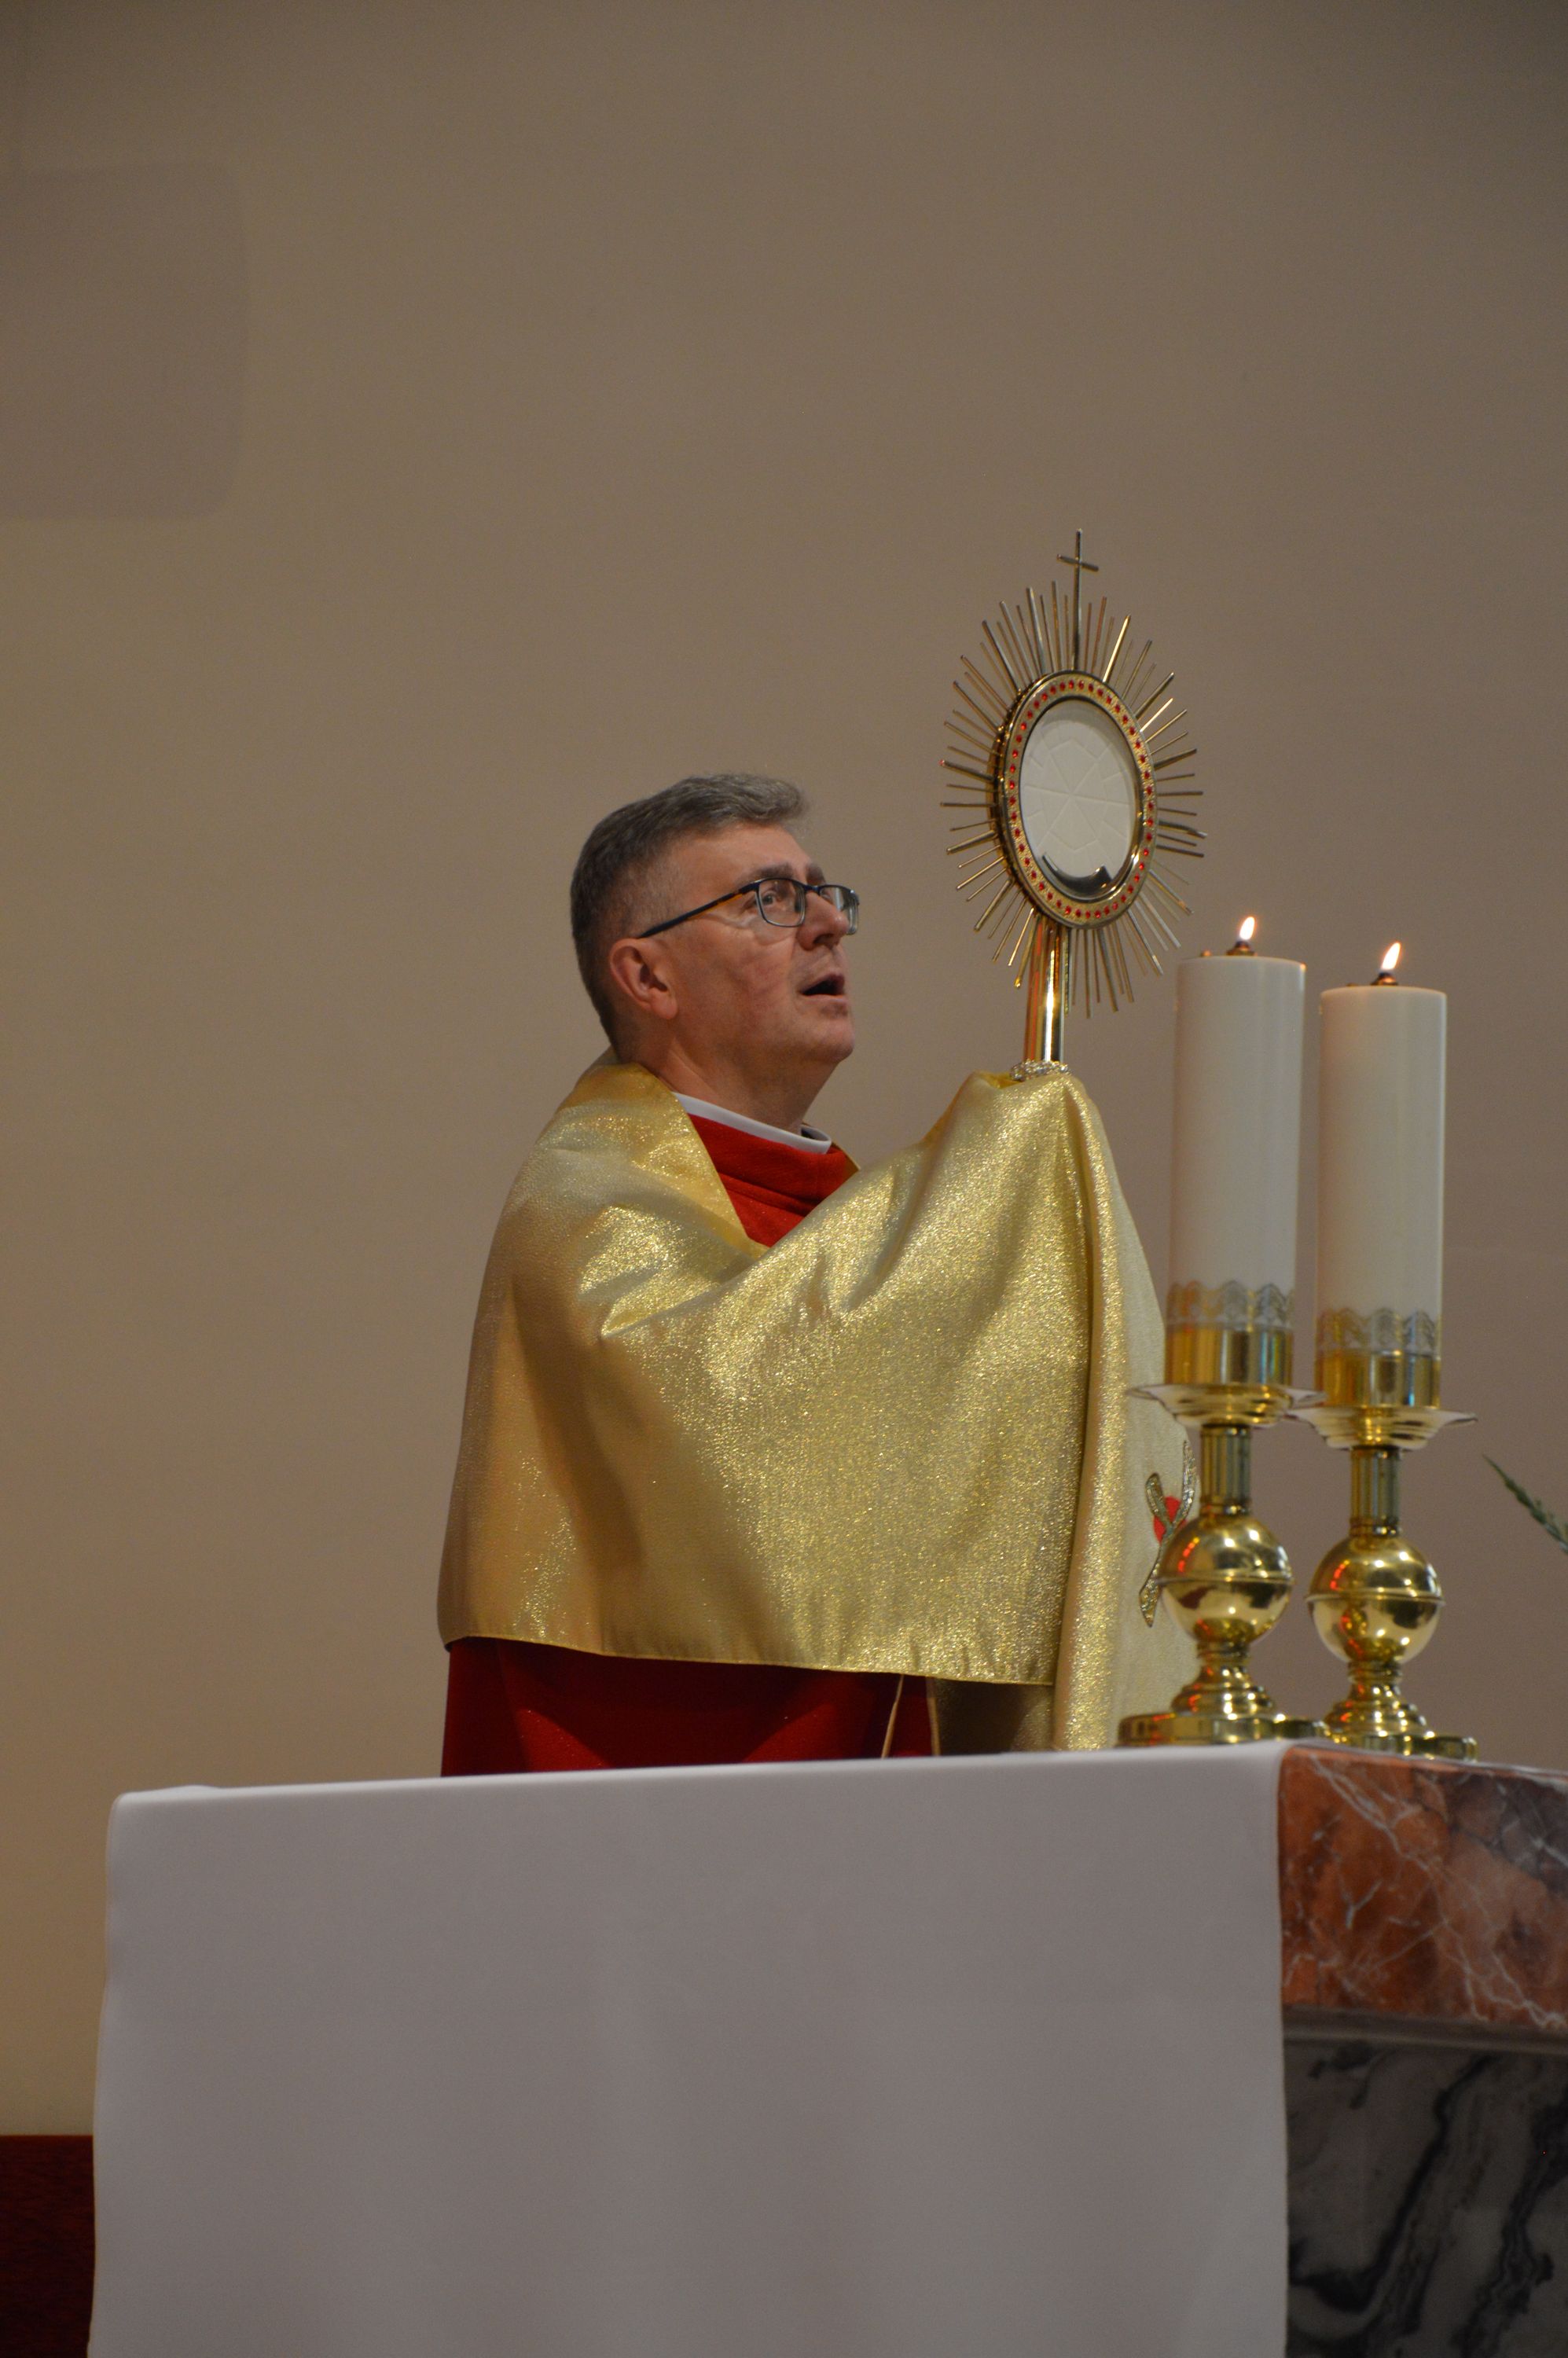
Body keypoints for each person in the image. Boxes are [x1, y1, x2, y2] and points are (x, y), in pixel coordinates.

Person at [439, 773, 1191, 1772]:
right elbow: (722, 1418)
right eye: (770, 901)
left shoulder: (844, 1226)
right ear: (648, 977)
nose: (829, 925)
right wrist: (992, 1182)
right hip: (652, 1788)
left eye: (826, 896)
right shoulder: (582, 1205)